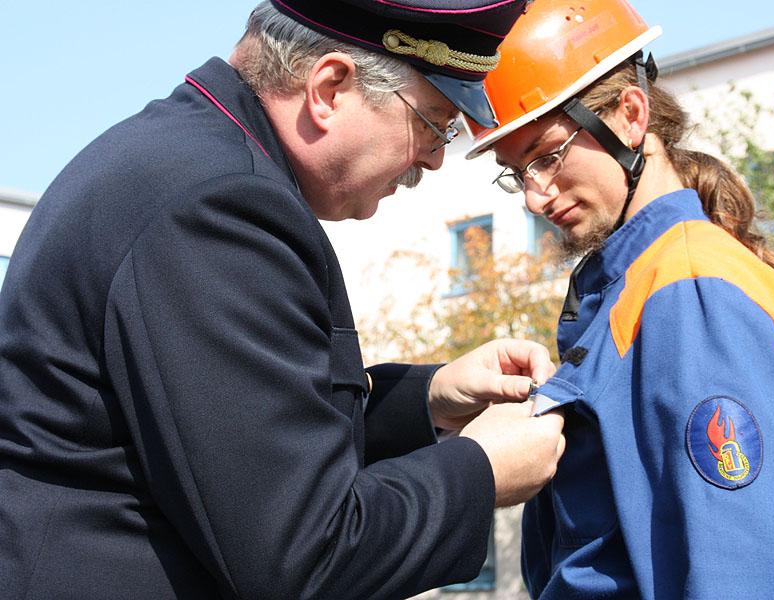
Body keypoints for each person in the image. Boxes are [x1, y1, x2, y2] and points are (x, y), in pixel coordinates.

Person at [0, 2, 568, 598]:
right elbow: (302, 555)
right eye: (431, 122)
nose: (432, 157)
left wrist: (426, 401)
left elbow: (235, 447)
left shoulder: (188, 159)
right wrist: (480, 470)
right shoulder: (221, 208)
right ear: (328, 87)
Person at [464, 0, 774, 597]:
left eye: (547, 157)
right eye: (516, 172)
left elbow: (741, 574)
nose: (534, 197)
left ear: (630, 116)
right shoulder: (639, 284)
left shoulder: (690, 291)